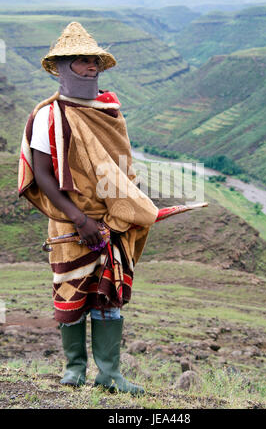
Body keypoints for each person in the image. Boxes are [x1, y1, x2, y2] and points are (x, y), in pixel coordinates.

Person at [18, 22, 159, 395]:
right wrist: (81, 219)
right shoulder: (48, 115)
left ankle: (109, 373)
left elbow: (121, 167)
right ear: (63, 67)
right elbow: (44, 174)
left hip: (113, 220)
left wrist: (120, 214)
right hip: (70, 220)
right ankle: (74, 369)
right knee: (72, 290)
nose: (91, 66)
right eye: (82, 61)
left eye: (94, 60)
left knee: (107, 292)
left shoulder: (109, 109)